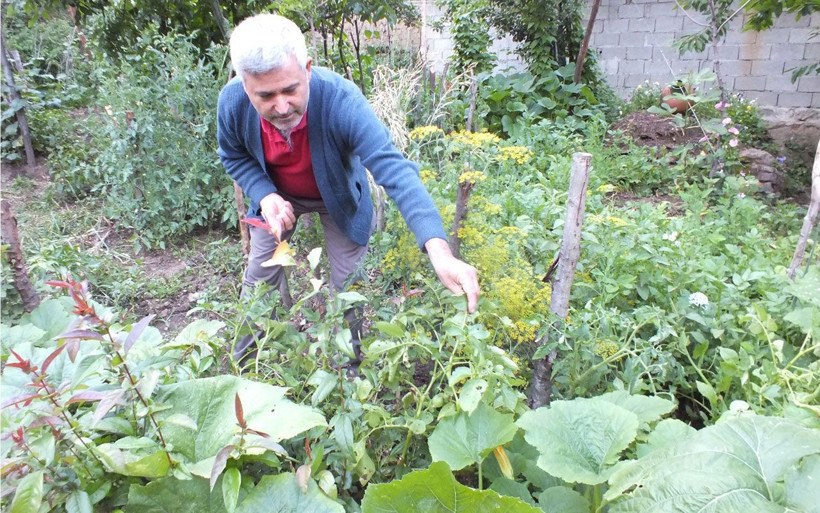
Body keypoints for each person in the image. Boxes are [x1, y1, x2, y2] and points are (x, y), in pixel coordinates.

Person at [217, 13, 480, 363]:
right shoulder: (232, 103)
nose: (281, 106)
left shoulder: (340, 100)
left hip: (337, 199)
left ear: (307, 69)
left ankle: (348, 371)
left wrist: (440, 251)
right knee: (259, 280)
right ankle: (244, 368)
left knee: (347, 287)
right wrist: (265, 194)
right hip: (277, 200)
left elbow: (395, 171)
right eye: (265, 95)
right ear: (243, 83)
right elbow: (233, 156)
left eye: (291, 90)